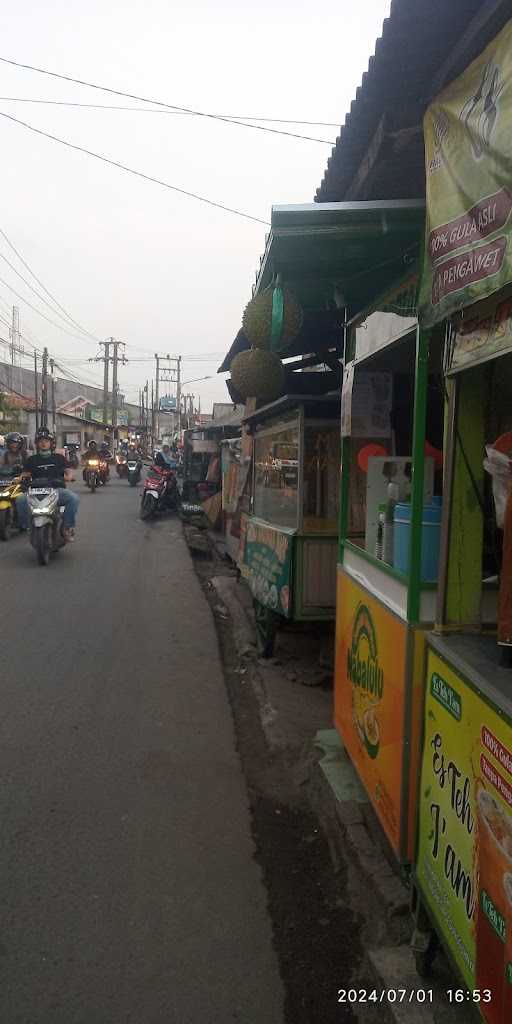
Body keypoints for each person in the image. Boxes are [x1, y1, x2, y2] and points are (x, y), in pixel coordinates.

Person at [17, 427, 79, 541]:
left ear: (51, 443)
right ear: (37, 444)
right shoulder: (31, 460)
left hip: (55, 490)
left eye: (46, 441)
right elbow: (25, 474)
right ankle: (28, 527)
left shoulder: (59, 458)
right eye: (40, 441)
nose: (43, 443)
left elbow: (68, 470)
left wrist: (69, 476)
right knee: (20, 500)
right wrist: (20, 478)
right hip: (35, 492)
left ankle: (67, 528)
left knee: (73, 498)